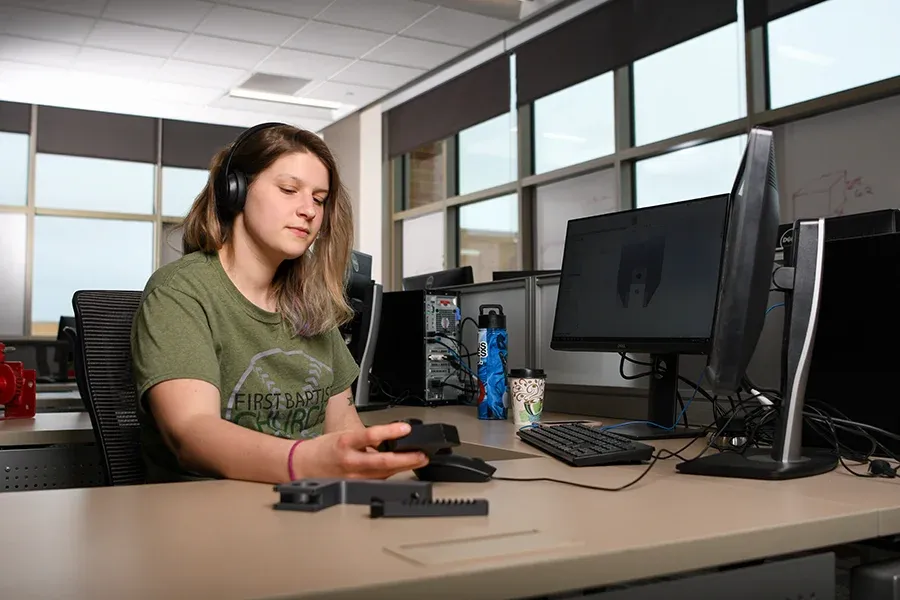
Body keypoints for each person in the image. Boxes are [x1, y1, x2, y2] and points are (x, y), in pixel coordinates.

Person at [130, 122, 428, 484]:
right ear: (235, 191)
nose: (309, 211)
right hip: (208, 516)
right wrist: (305, 461)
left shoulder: (311, 302)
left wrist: (384, 462)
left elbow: (343, 427)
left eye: (319, 199)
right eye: (289, 190)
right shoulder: (180, 292)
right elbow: (192, 434)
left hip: (308, 507)